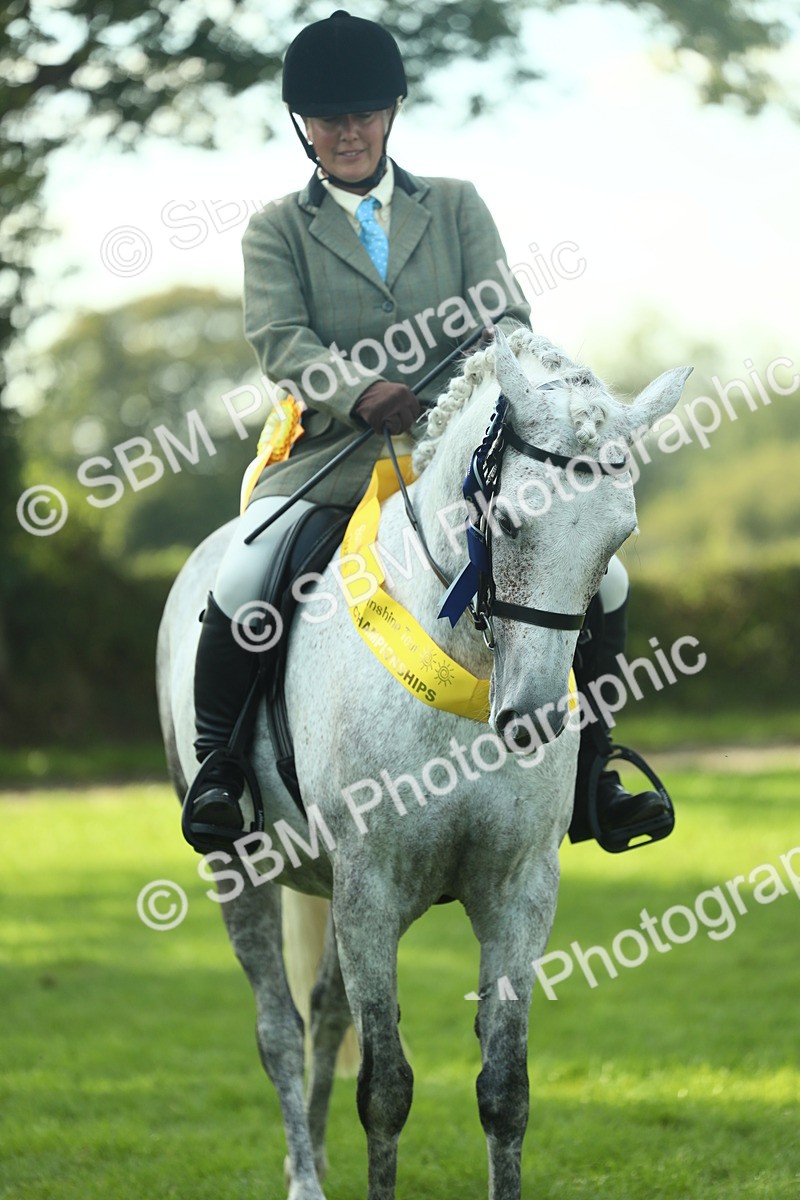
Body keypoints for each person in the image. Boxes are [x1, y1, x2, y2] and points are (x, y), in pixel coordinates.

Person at [186, 10, 672, 854]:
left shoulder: (455, 206)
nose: (348, 133)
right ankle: (219, 771)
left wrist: (477, 374)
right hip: (333, 457)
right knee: (243, 574)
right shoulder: (276, 229)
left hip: (460, 464)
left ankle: (594, 770)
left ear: (392, 113)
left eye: (364, 115)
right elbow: (280, 340)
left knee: (613, 582)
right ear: (304, 127)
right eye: (331, 119)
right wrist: (356, 388)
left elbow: (510, 317)